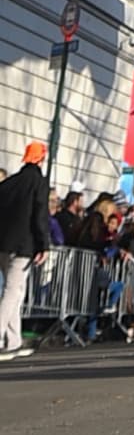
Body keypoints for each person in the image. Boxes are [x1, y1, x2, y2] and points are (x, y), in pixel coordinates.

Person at [0, 142, 50, 360]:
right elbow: (39, 215)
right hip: (23, 245)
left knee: (16, 292)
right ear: (41, 159)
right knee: (12, 292)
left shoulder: (8, 183)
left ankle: (14, 340)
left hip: (3, 243)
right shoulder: (38, 183)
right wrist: (43, 245)